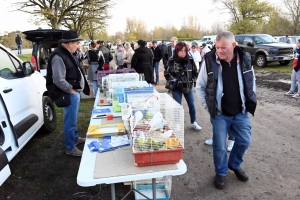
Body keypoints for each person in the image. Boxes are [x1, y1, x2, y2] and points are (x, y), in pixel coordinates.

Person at [196, 31, 257, 189]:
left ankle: (234, 165)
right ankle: (221, 172)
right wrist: (208, 107)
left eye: (223, 47)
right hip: (220, 114)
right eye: (217, 48)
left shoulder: (245, 59)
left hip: (240, 112)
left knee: (245, 141)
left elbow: (251, 81)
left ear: (234, 45)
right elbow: (200, 87)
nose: (220, 51)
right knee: (220, 146)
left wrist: (250, 98)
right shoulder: (210, 61)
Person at [46, 30, 90, 156]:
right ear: (69, 43)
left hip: (73, 92)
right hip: (68, 93)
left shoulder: (68, 53)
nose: (78, 45)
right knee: (70, 121)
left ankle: (75, 138)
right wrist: (71, 90)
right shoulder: (58, 56)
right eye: (76, 43)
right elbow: (58, 79)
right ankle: (70, 148)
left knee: (73, 118)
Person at [164, 42, 202, 131]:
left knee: (192, 105)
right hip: (176, 87)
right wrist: (174, 81)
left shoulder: (190, 59)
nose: (183, 53)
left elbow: (195, 72)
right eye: (181, 51)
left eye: (185, 51)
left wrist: (191, 80)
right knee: (177, 106)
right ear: (177, 51)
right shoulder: (171, 60)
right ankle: (177, 123)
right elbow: (166, 72)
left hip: (188, 86)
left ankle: (194, 122)